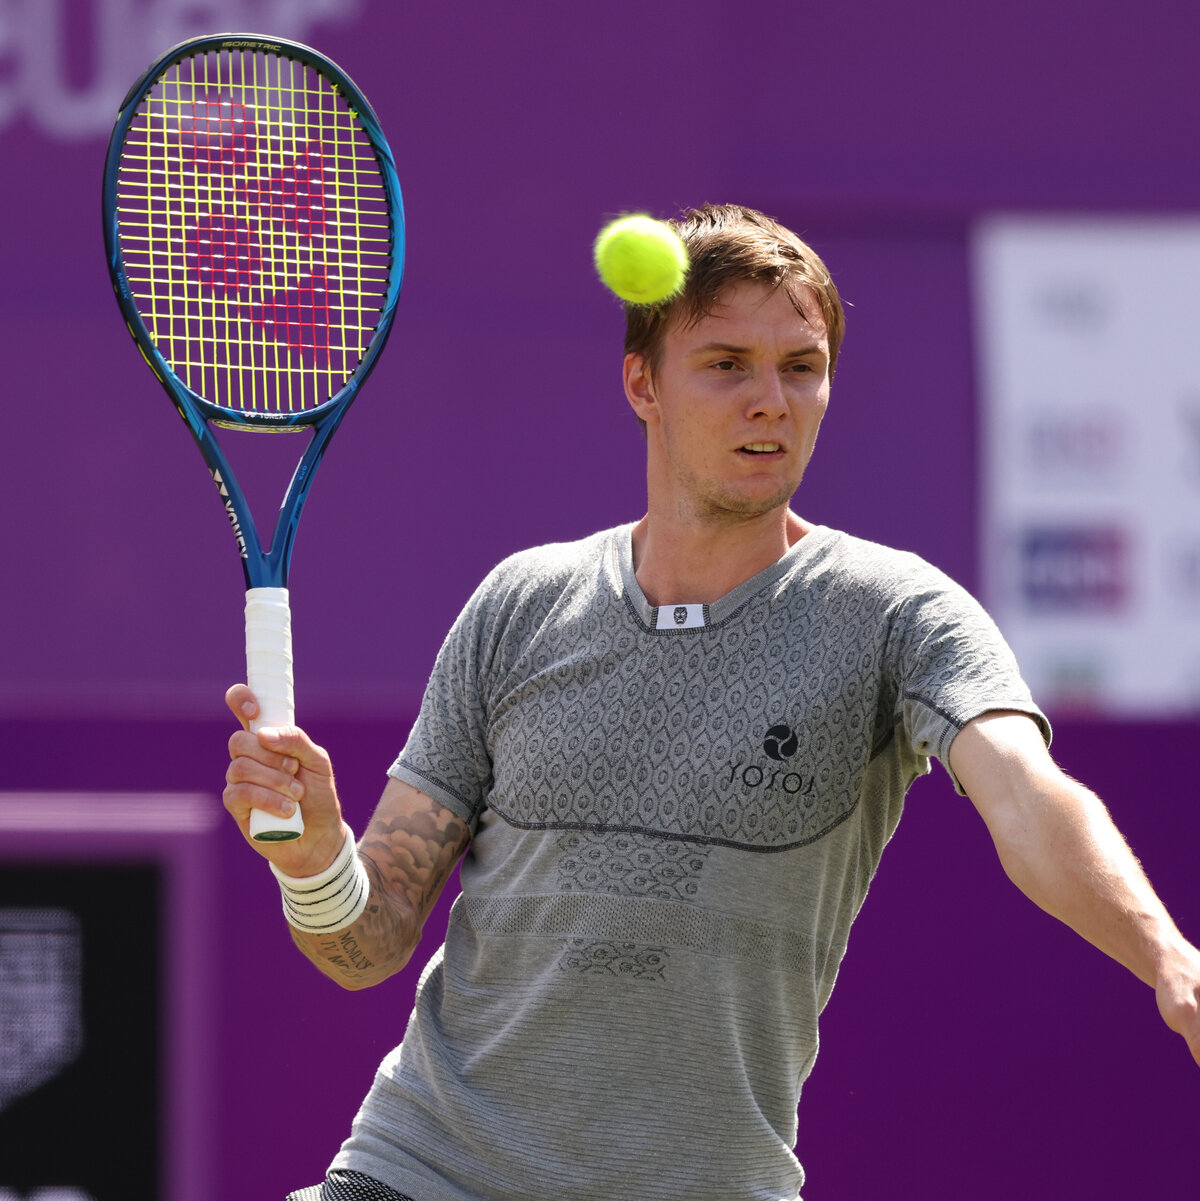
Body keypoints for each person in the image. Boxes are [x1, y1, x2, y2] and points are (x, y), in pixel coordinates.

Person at [223, 204, 1200, 1201]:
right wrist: (313, 860)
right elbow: (368, 939)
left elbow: (1030, 796)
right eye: (726, 363)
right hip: (421, 1175)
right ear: (644, 383)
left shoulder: (898, 615)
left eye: (801, 367)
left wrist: (1169, 958)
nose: (770, 401)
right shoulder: (520, 605)